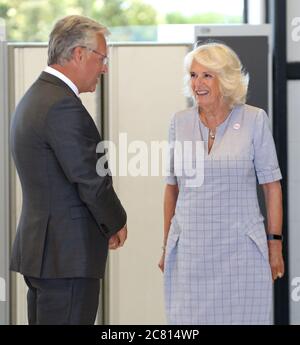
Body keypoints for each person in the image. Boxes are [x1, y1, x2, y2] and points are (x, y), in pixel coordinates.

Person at [10, 15, 127, 325]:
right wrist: (115, 222)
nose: (105, 67)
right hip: (67, 258)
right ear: (79, 54)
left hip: (47, 255)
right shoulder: (61, 105)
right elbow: (90, 178)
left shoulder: (35, 98)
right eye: (102, 58)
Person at [158, 42, 284, 325]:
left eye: (207, 75)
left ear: (225, 79)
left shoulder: (254, 119)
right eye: (193, 75)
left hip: (241, 253)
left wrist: (275, 245)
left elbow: (271, 186)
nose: (197, 83)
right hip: (191, 251)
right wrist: (167, 246)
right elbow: (172, 188)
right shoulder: (179, 122)